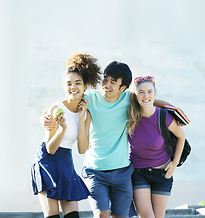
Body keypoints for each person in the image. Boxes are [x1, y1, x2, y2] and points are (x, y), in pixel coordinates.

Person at [42, 61, 173, 218]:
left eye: (113, 82)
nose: (106, 84)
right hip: (95, 170)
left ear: (122, 87)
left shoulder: (128, 99)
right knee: (102, 214)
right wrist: (44, 115)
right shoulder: (90, 98)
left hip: (122, 171)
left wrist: (174, 110)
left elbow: (149, 101)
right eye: (105, 79)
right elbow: (69, 100)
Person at [31, 52, 101, 218]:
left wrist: (81, 117)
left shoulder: (86, 113)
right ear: (64, 86)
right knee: (53, 215)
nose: (73, 87)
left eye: (78, 83)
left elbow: (83, 149)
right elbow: (50, 149)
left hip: (66, 163)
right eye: (69, 84)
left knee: (72, 216)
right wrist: (62, 130)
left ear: (85, 86)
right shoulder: (56, 109)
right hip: (47, 161)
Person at [127, 76, 185, 218]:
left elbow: (181, 136)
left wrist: (175, 163)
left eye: (149, 92)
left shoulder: (163, 117)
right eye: (141, 92)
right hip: (138, 173)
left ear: (155, 94)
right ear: (135, 95)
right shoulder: (129, 116)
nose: (146, 96)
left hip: (162, 173)